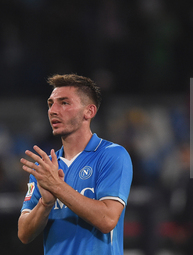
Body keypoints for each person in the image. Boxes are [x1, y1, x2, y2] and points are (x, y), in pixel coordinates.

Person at [18, 74, 133, 255]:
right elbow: (24, 233)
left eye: (64, 103)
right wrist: (45, 204)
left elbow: (108, 220)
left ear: (89, 111)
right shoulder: (46, 168)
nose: (53, 110)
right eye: (50, 104)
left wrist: (57, 187)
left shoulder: (112, 155)